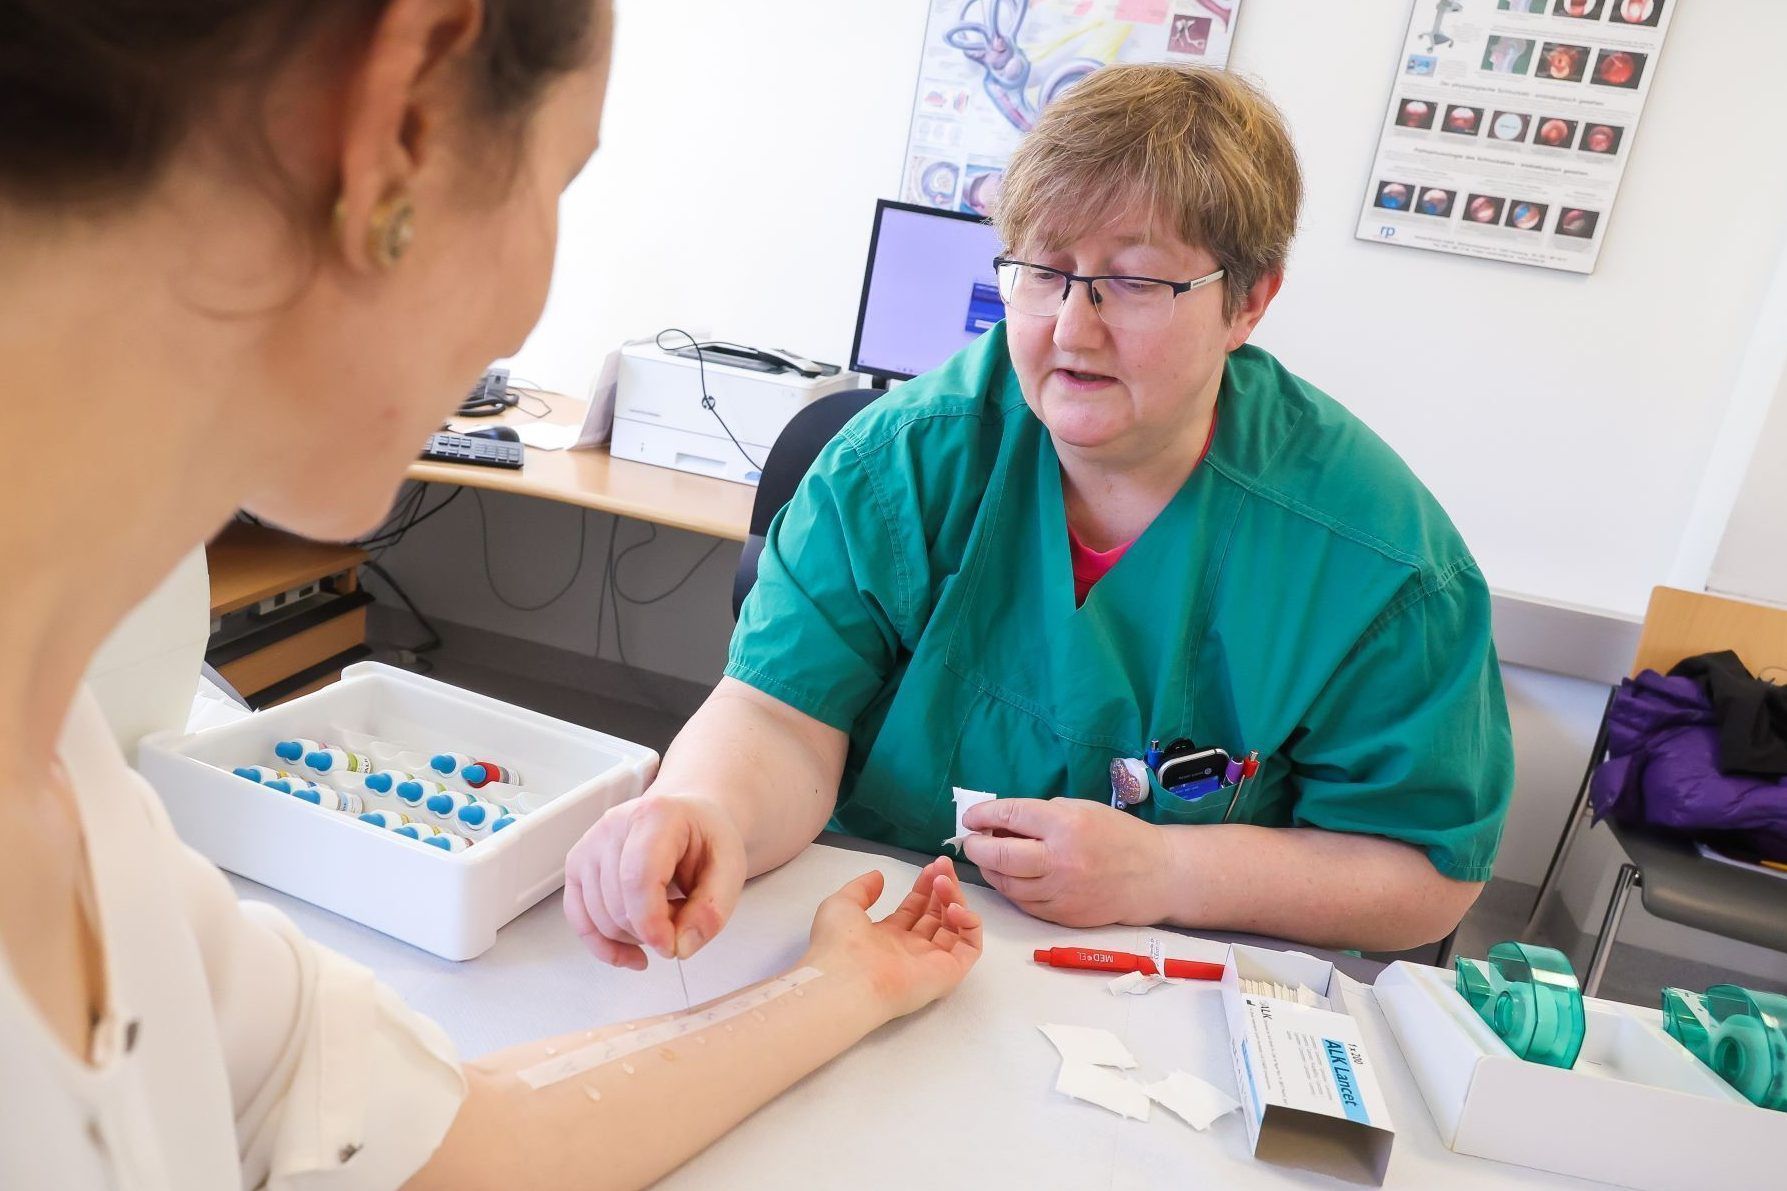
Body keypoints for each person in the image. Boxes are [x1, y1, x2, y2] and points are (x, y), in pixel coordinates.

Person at [0, 3, 982, 1188]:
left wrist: (842, 984)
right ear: (399, 120)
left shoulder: (78, 799)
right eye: (560, 180)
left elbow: (454, 1141)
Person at [565, 64, 1514, 970]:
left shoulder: (1379, 564)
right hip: (875, 924)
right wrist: (704, 810)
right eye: (1043, 270)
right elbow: (777, 717)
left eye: (1135, 281)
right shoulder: (904, 460)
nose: (1071, 326)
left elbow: (1423, 873)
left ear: (1248, 302)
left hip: (1155, 969)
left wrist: (1166, 868)